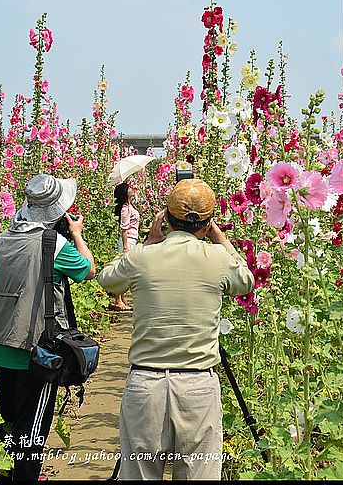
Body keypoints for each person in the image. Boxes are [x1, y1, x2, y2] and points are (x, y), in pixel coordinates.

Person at [97, 178, 254, 481]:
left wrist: (148, 242)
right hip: (197, 386)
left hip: (146, 384)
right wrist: (221, 239)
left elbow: (107, 279)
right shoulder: (219, 258)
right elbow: (245, 280)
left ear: (165, 219)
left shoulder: (143, 257)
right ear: (208, 224)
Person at [0, 174, 96, 481]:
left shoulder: (5, 237)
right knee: (32, 432)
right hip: (37, 352)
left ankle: (8, 474)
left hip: (1, 344)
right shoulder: (54, 243)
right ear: (58, 212)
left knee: (9, 424)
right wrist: (76, 234)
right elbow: (88, 270)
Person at [111, 182, 140, 311]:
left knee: (125, 270)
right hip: (128, 241)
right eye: (129, 189)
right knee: (123, 271)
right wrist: (126, 247)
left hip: (131, 240)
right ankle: (118, 300)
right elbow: (124, 229)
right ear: (125, 193)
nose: (132, 189)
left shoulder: (129, 207)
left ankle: (121, 299)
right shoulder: (125, 208)